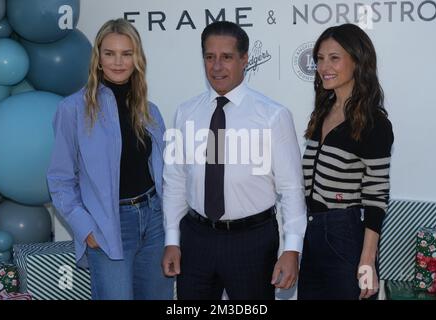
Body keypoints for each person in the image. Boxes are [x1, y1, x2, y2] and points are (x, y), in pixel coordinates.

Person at [161, 21, 307, 300]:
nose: (217, 67)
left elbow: (291, 189)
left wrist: (291, 250)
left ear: (244, 59)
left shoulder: (272, 116)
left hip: (252, 242)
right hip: (196, 239)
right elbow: (175, 181)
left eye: (226, 57)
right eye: (209, 57)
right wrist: (172, 240)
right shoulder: (185, 113)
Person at [47, 18, 173, 300]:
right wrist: (85, 228)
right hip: (108, 225)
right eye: (110, 53)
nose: (118, 62)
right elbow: (59, 180)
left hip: (154, 222)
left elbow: (166, 173)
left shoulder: (149, 110)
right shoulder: (73, 110)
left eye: (126, 54)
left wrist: (171, 225)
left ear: (137, 59)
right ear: (98, 59)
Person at [298, 23, 394, 300]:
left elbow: (377, 196)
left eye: (334, 57)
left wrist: (366, 261)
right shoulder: (323, 112)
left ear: (358, 61)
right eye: (319, 58)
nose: (323, 66)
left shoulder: (374, 123)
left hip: (346, 236)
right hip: (313, 232)